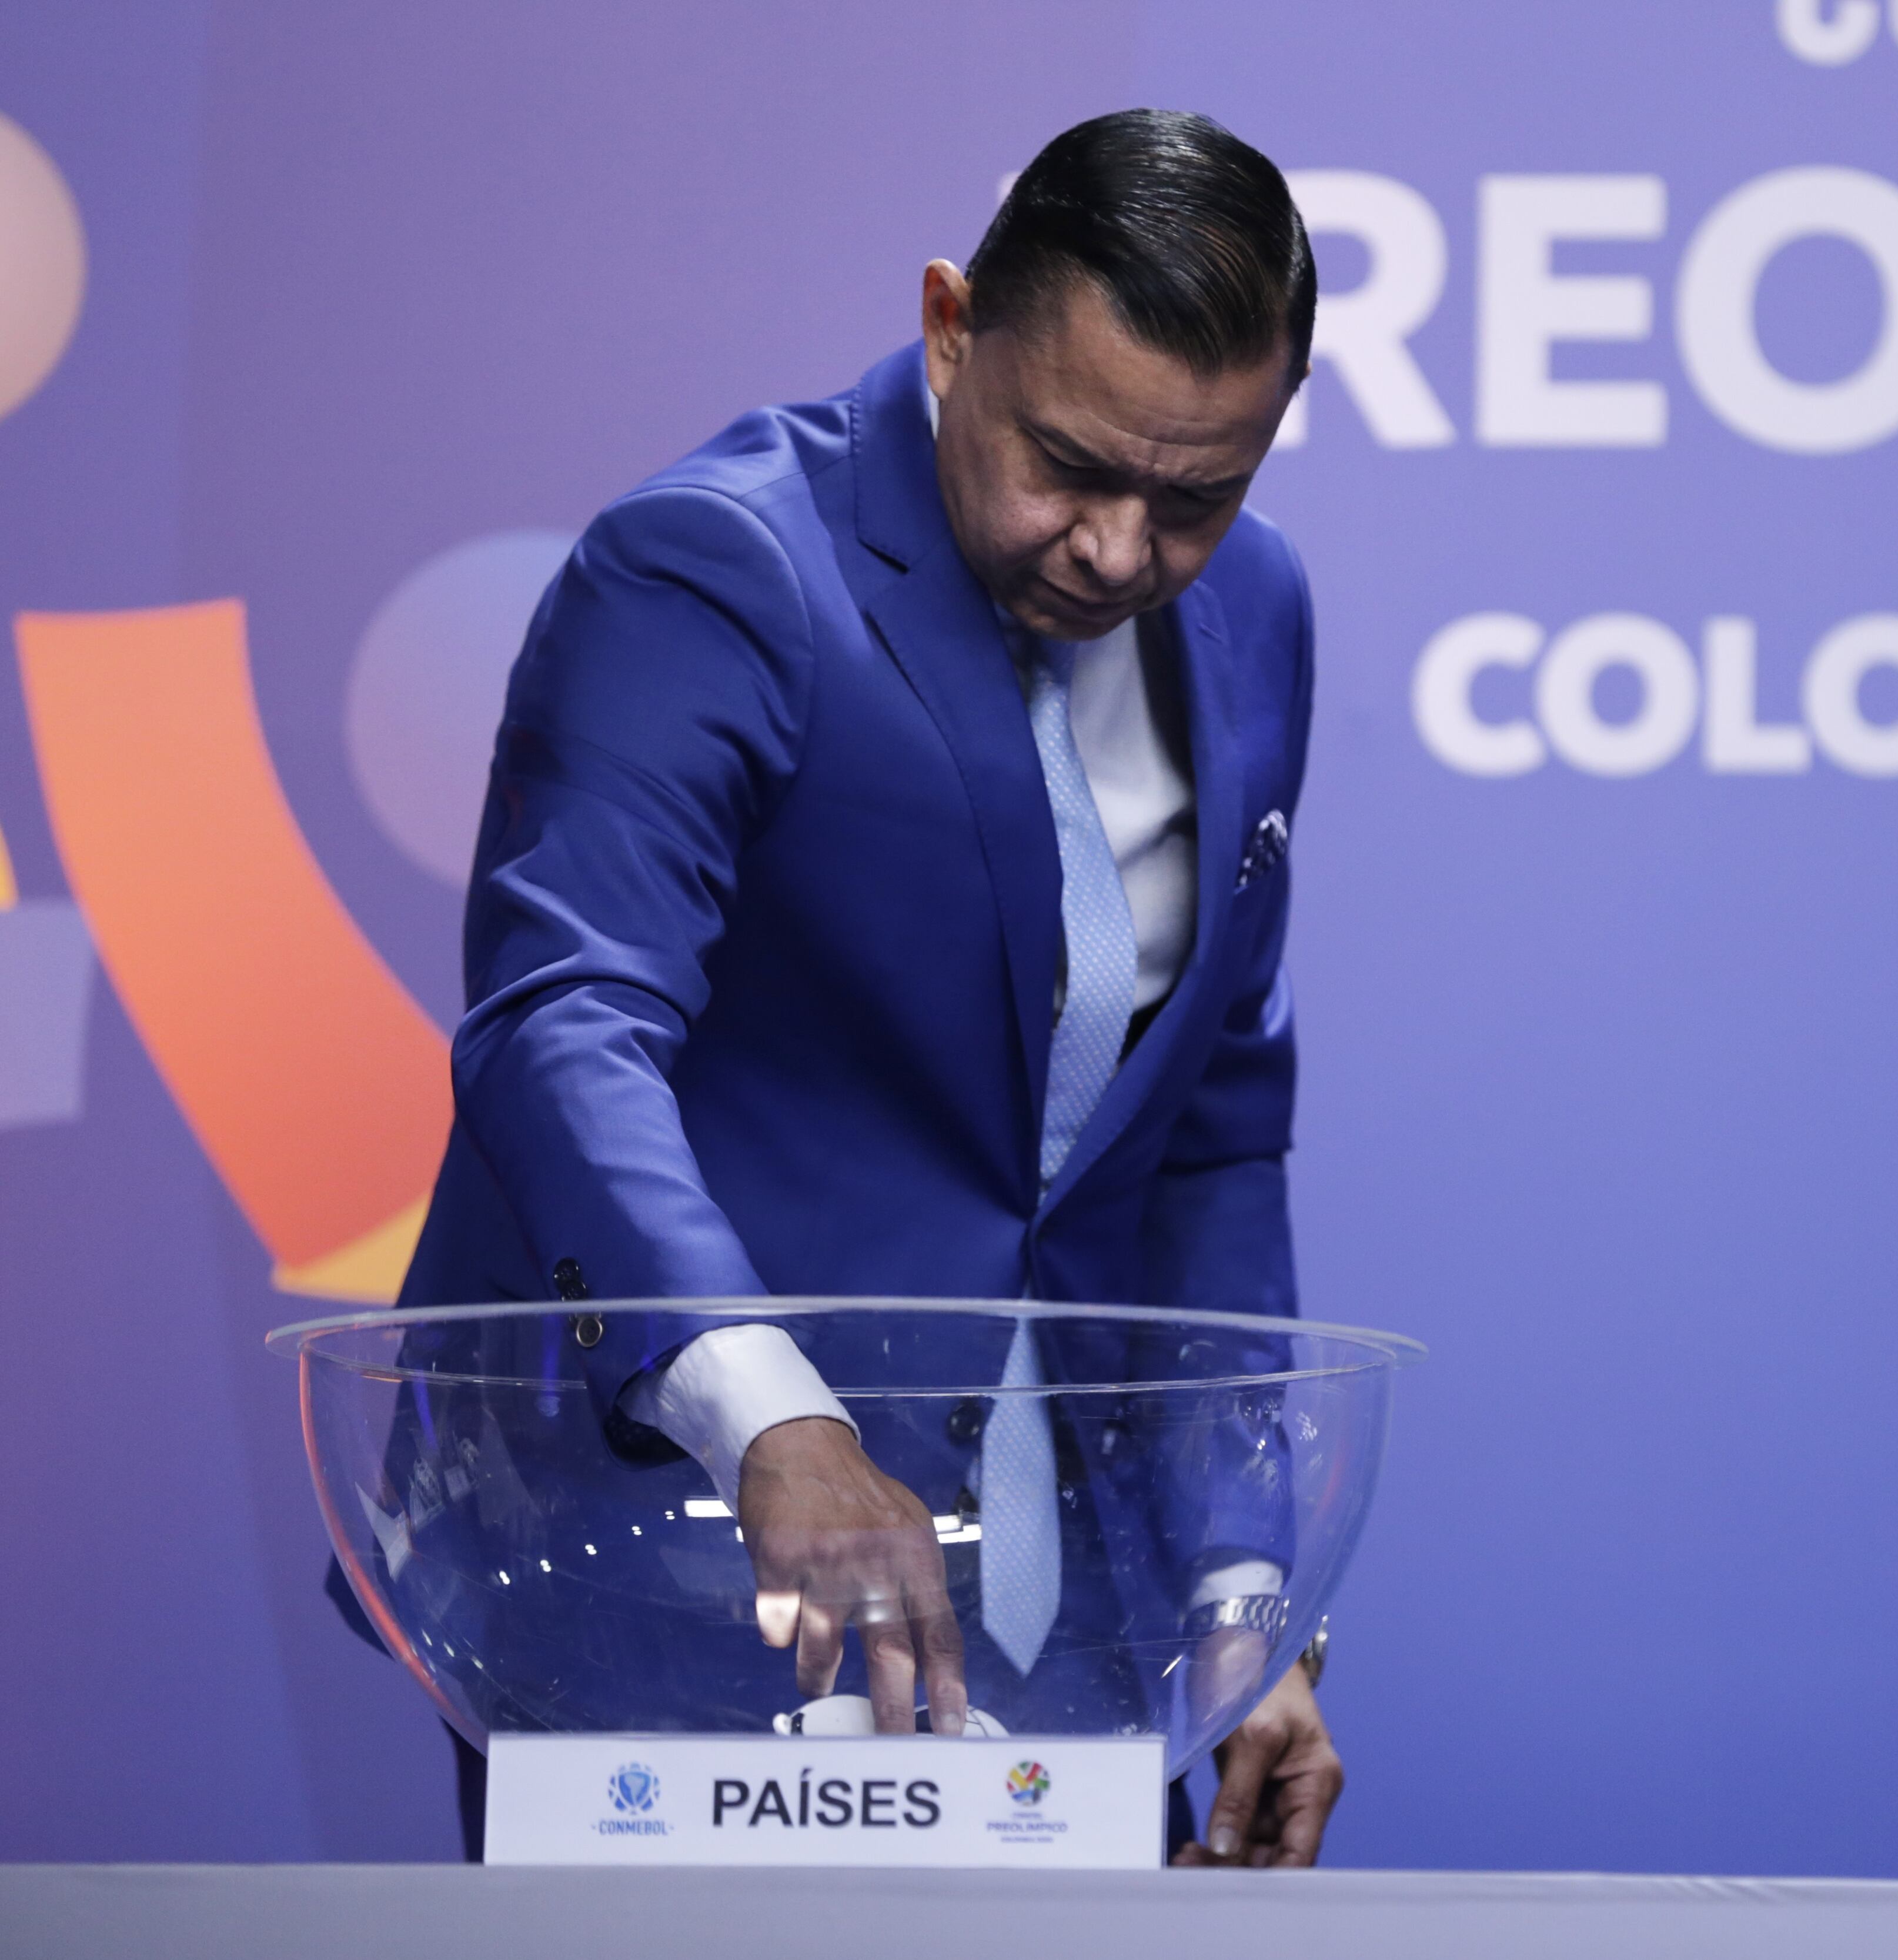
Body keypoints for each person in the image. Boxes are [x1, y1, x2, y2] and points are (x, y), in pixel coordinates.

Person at [380, 108, 1338, 1866]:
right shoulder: (714, 567)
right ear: (951, 326)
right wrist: (771, 1413)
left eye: (1195, 497)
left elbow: (1206, 1128)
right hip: (672, 1563)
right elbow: (565, 1020)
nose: (1117, 551)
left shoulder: (1260, 610)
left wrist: (1240, 1596)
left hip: (1077, 1630)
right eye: (1068, 466)